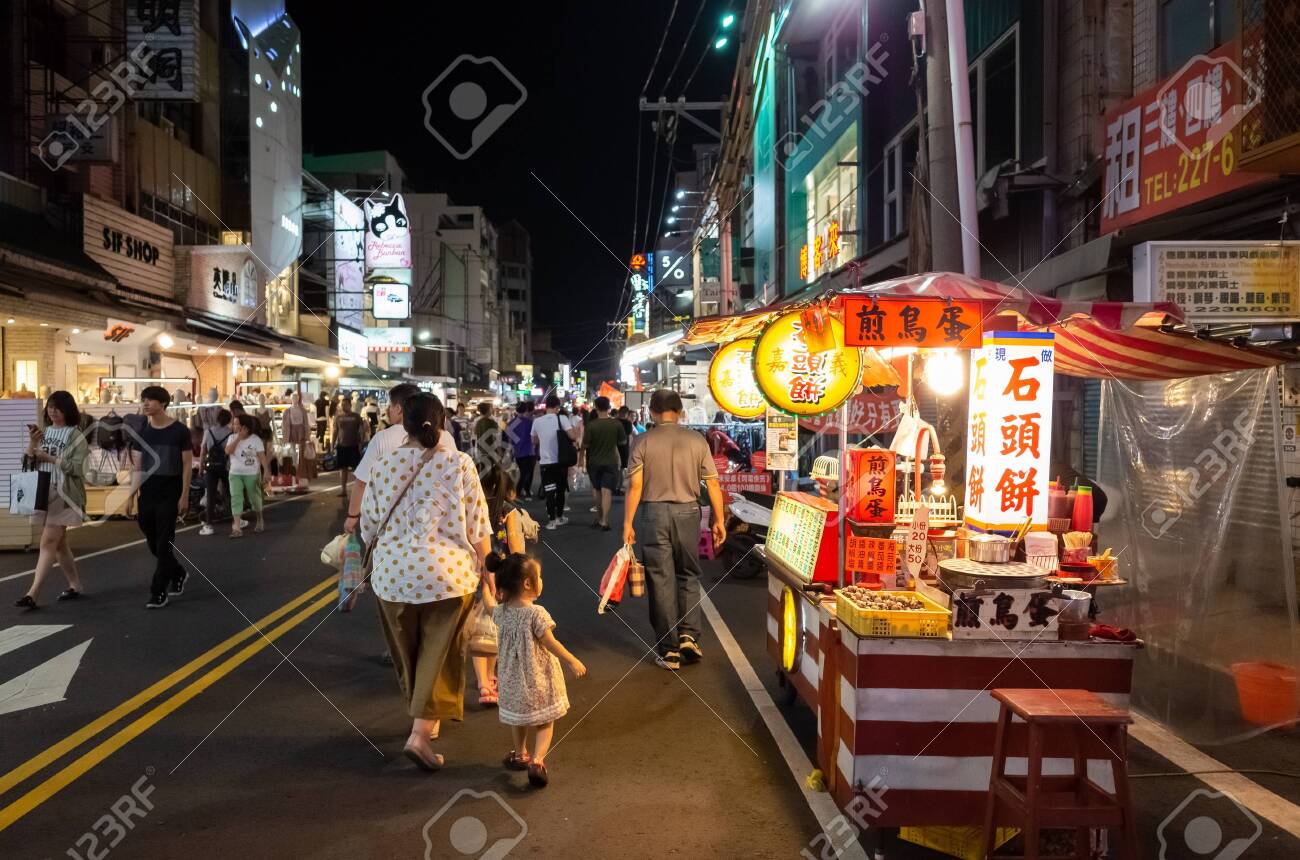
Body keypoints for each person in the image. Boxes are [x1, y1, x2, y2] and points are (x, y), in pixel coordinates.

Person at [359, 393, 492, 772]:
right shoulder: (460, 464)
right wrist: (489, 570)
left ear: (404, 423)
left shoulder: (384, 466)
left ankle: (423, 720)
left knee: (409, 654)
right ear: (443, 421)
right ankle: (421, 731)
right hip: (449, 576)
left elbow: (368, 527)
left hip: (393, 576)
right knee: (441, 654)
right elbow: (478, 525)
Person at [622, 389, 726, 671]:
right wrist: (719, 519)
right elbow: (712, 484)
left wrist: (627, 523)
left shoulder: (642, 441)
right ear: (680, 412)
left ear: (652, 413)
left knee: (660, 578)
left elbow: (635, 486)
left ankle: (669, 650)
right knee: (688, 574)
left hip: (653, 514)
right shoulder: (697, 440)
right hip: (689, 512)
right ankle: (689, 636)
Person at [489, 552, 586, 787]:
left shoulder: (501, 612)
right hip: (538, 678)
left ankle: (520, 753)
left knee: (519, 720)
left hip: (512, 680)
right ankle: (537, 760)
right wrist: (571, 659)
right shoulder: (536, 613)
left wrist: (486, 579)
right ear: (527, 583)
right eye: (539, 577)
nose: (542, 581)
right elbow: (549, 642)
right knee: (545, 720)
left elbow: (486, 601)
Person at [15, 391, 87, 609]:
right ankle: (75, 584)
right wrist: (32, 444)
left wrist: (50, 458)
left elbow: (77, 469)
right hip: (42, 491)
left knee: (47, 541)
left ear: (67, 410)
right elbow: (27, 463)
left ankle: (33, 593)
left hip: (64, 494)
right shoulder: (43, 433)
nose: (52, 411)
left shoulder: (76, 436)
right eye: (50, 407)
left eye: (57, 407)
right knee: (59, 544)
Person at [343, 383, 443, 537]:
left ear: (400, 408)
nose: (388, 410)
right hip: (440, 540)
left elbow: (362, 483)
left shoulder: (382, 442)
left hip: (393, 540)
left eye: (390, 405)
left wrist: (353, 517)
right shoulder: (451, 447)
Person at [134, 386, 193, 609]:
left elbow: (187, 464)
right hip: (148, 490)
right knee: (152, 540)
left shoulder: (179, 431)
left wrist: (184, 495)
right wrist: (131, 496)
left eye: (150, 400)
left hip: (171, 488)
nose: (146, 403)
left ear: (163, 404)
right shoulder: (142, 431)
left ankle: (158, 592)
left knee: (164, 541)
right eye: (144, 400)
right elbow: (138, 466)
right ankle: (178, 572)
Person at [532, 394, 579, 530]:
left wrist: (544, 439)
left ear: (546, 406)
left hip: (545, 462)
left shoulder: (537, 421)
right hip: (560, 461)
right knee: (560, 490)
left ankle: (551, 521)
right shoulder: (562, 418)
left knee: (549, 491)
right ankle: (559, 517)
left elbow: (534, 440)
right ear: (557, 407)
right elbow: (572, 437)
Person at [581, 396, 627, 532]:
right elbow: (623, 442)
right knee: (607, 492)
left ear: (595, 407)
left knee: (597, 491)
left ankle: (599, 517)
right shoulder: (617, 424)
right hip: (611, 461)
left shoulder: (591, 425)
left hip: (594, 462)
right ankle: (605, 521)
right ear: (608, 407)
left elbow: (585, 444)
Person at [225, 413, 269, 537]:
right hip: (235, 473)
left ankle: (260, 519)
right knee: (236, 498)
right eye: (234, 424)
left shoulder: (255, 439)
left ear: (245, 426)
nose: (234, 426)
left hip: (252, 473)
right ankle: (237, 528)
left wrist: (266, 470)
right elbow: (228, 451)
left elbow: (262, 456)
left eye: (236, 424)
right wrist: (238, 437)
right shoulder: (232, 437)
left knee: (254, 498)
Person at [198, 408, 235, 536]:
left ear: (217, 418)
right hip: (225, 466)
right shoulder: (230, 433)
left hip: (210, 467)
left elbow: (203, 450)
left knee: (210, 495)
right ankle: (236, 520)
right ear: (229, 420)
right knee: (231, 493)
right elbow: (231, 452)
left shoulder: (208, 432)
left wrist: (201, 467)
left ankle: (209, 525)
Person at [331, 395, 369, 500]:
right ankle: (343, 490)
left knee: (357, 469)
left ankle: (359, 490)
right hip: (342, 446)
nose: (343, 406)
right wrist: (332, 444)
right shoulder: (338, 417)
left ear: (350, 405)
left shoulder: (356, 417)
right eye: (342, 405)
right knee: (343, 469)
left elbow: (361, 431)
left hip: (354, 446)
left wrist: (361, 443)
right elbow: (335, 431)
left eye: (345, 405)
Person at [507, 402, 537, 500]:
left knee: (524, 472)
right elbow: (533, 437)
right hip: (530, 450)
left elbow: (510, 439)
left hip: (518, 452)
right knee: (528, 472)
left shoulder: (511, 423)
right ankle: (522, 492)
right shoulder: (529, 422)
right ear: (525, 410)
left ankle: (522, 492)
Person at [614, 406, 635, 497]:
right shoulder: (628, 423)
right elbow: (629, 435)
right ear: (626, 414)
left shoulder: (614, 422)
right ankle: (621, 487)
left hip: (613, 447)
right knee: (623, 467)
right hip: (624, 447)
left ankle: (614, 486)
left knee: (615, 467)